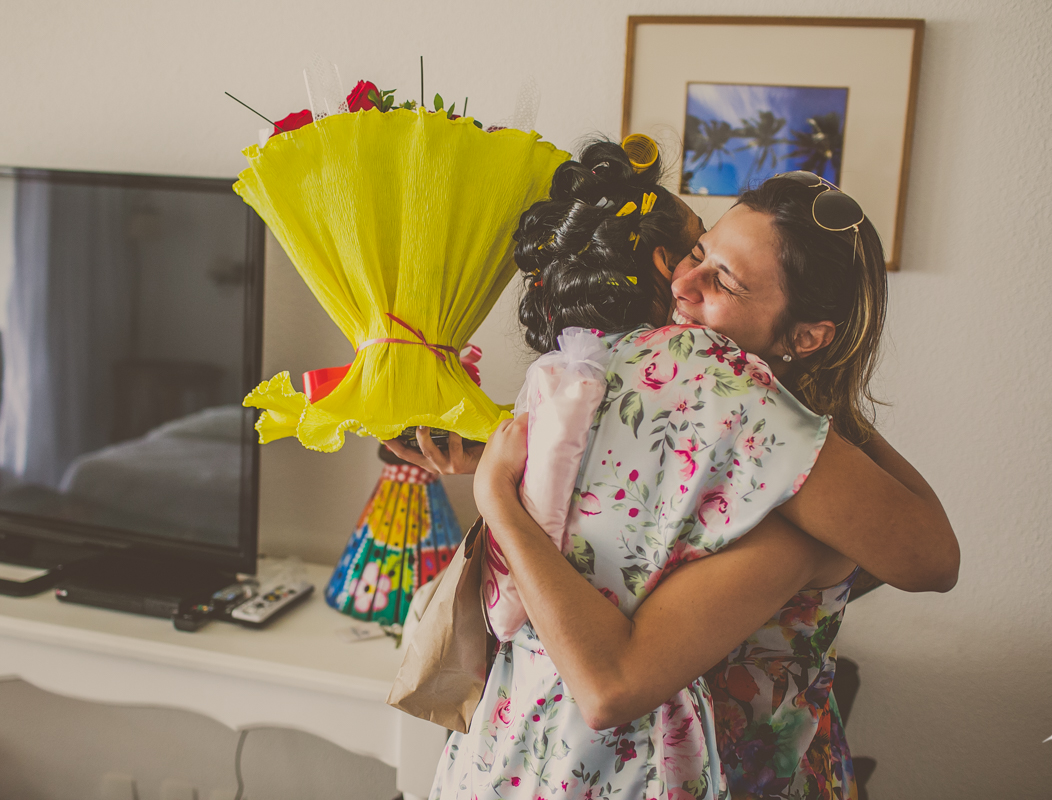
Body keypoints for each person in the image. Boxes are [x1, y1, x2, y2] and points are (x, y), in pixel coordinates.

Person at [387, 141, 957, 799]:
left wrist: (500, 503)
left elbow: (928, 557)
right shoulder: (659, 384)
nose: (684, 285)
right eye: (699, 254)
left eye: (726, 282)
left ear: (805, 336)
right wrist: (509, 460)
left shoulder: (773, 456)